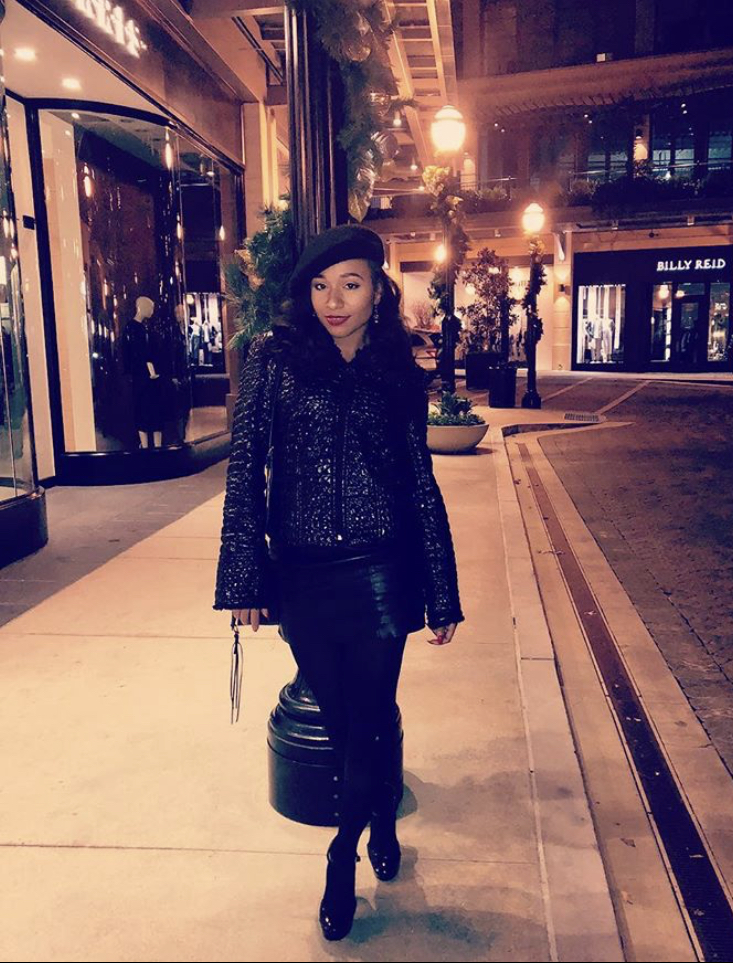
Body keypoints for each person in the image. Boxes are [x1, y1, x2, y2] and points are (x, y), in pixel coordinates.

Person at [213, 224, 465, 941]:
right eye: (321, 286)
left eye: (350, 284)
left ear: (377, 291)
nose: (334, 301)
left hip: (383, 569)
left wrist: (440, 588)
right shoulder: (275, 358)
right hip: (304, 575)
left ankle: (341, 853)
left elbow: (419, 481)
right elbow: (246, 466)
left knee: (370, 714)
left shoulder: (398, 370)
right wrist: (245, 575)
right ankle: (380, 811)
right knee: (346, 719)